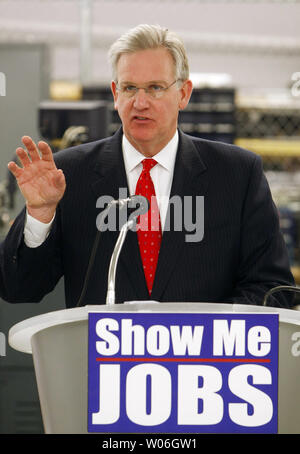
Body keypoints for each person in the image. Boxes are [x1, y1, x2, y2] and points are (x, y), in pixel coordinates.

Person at [0, 24, 295, 308]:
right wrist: (40, 215)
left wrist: (205, 332)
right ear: (116, 94)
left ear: (183, 93)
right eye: (130, 88)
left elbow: (271, 287)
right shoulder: (69, 176)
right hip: (101, 357)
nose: (140, 102)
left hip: (201, 358)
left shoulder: (237, 175)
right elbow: (19, 289)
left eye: (154, 88)